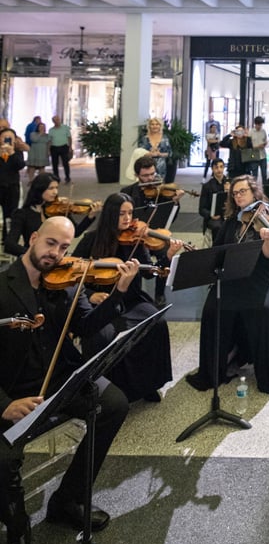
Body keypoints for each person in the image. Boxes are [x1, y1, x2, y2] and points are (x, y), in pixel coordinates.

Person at [0, 218, 137, 544]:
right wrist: (5, 405)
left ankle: (67, 499)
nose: (57, 254)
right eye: (50, 244)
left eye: (64, 247)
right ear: (31, 239)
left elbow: (89, 326)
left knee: (114, 403)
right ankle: (17, 532)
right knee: (3, 458)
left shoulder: (64, 284)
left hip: (59, 379)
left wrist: (118, 292)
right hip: (12, 392)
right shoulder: (3, 286)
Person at [72, 194, 178, 402]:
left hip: (131, 299)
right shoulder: (90, 240)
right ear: (111, 215)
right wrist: (91, 295)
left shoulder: (136, 240)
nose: (128, 218)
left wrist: (169, 255)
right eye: (122, 214)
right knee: (105, 336)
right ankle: (110, 392)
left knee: (156, 323)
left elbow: (150, 272)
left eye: (130, 213)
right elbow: (74, 274)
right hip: (103, 303)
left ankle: (147, 384)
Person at [186, 174, 269, 395]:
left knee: (265, 309)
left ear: (254, 193)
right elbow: (218, 252)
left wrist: (267, 237)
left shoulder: (266, 217)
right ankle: (215, 369)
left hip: (261, 276)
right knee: (212, 307)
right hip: (233, 276)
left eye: (243, 191)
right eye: (235, 193)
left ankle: (267, 374)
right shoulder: (231, 221)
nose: (239, 196)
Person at [121, 153, 184, 306]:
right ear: (137, 175)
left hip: (155, 235)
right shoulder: (127, 192)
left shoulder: (162, 192)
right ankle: (132, 292)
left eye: (152, 174)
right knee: (130, 258)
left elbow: (169, 219)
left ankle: (160, 293)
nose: (150, 179)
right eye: (145, 176)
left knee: (167, 254)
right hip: (134, 236)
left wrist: (174, 203)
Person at [5, 173, 98, 257]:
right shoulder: (22, 214)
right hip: (33, 261)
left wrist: (90, 216)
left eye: (56, 188)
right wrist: (33, 254)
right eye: (51, 188)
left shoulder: (58, 209)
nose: (55, 192)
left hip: (57, 258)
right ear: (39, 189)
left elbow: (76, 232)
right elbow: (10, 245)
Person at [0, 127, 25, 248]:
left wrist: (12, 153)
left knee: (10, 214)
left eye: (10, 137)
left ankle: (7, 240)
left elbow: (20, 165)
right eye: (4, 137)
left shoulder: (17, 152)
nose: (7, 139)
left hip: (12, 188)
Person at [198, 158, 228, 244]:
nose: (219, 170)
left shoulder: (230, 183)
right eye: (216, 167)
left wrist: (229, 192)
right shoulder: (207, 186)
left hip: (228, 215)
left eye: (221, 167)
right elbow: (201, 209)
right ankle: (217, 249)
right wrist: (211, 215)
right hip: (215, 217)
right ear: (212, 169)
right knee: (218, 227)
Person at [48, 114, 72, 183]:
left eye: (58, 120)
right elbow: (50, 140)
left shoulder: (65, 128)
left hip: (64, 147)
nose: (57, 121)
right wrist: (48, 150)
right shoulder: (51, 130)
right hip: (54, 147)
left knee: (65, 163)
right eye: (55, 120)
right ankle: (56, 177)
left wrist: (70, 147)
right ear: (53, 122)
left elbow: (69, 138)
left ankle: (67, 177)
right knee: (55, 163)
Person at [248, 115, 268, 183]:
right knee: (254, 175)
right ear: (255, 124)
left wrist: (264, 144)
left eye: (261, 125)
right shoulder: (251, 132)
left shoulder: (263, 131)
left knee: (264, 174)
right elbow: (248, 145)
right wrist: (257, 146)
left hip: (263, 155)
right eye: (259, 124)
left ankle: (265, 188)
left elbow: (265, 140)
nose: (260, 126)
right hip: (254, 155)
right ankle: (254, 190)